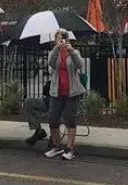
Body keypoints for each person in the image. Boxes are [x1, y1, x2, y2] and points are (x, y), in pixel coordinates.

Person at [45, 30, 86, 161]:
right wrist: (57, 49)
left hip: (72, 91)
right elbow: (51, 65)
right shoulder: (53, 53)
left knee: (69, 119)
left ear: (68, 39)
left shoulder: (74, 52)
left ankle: (70, 148)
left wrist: (71, 51)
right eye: (58, 38)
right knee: (53, 119)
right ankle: (56, 147)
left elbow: (80, 65)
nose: (61, 41)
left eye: (63, 38)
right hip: (56, 91)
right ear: (55, 41)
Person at [24, 80, 51, 147]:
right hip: (47, 102)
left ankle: (54, 136)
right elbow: (45, 91)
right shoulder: (55, 76)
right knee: (28, 102)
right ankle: (38, 131)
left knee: (54, 112)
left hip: (59, 105)